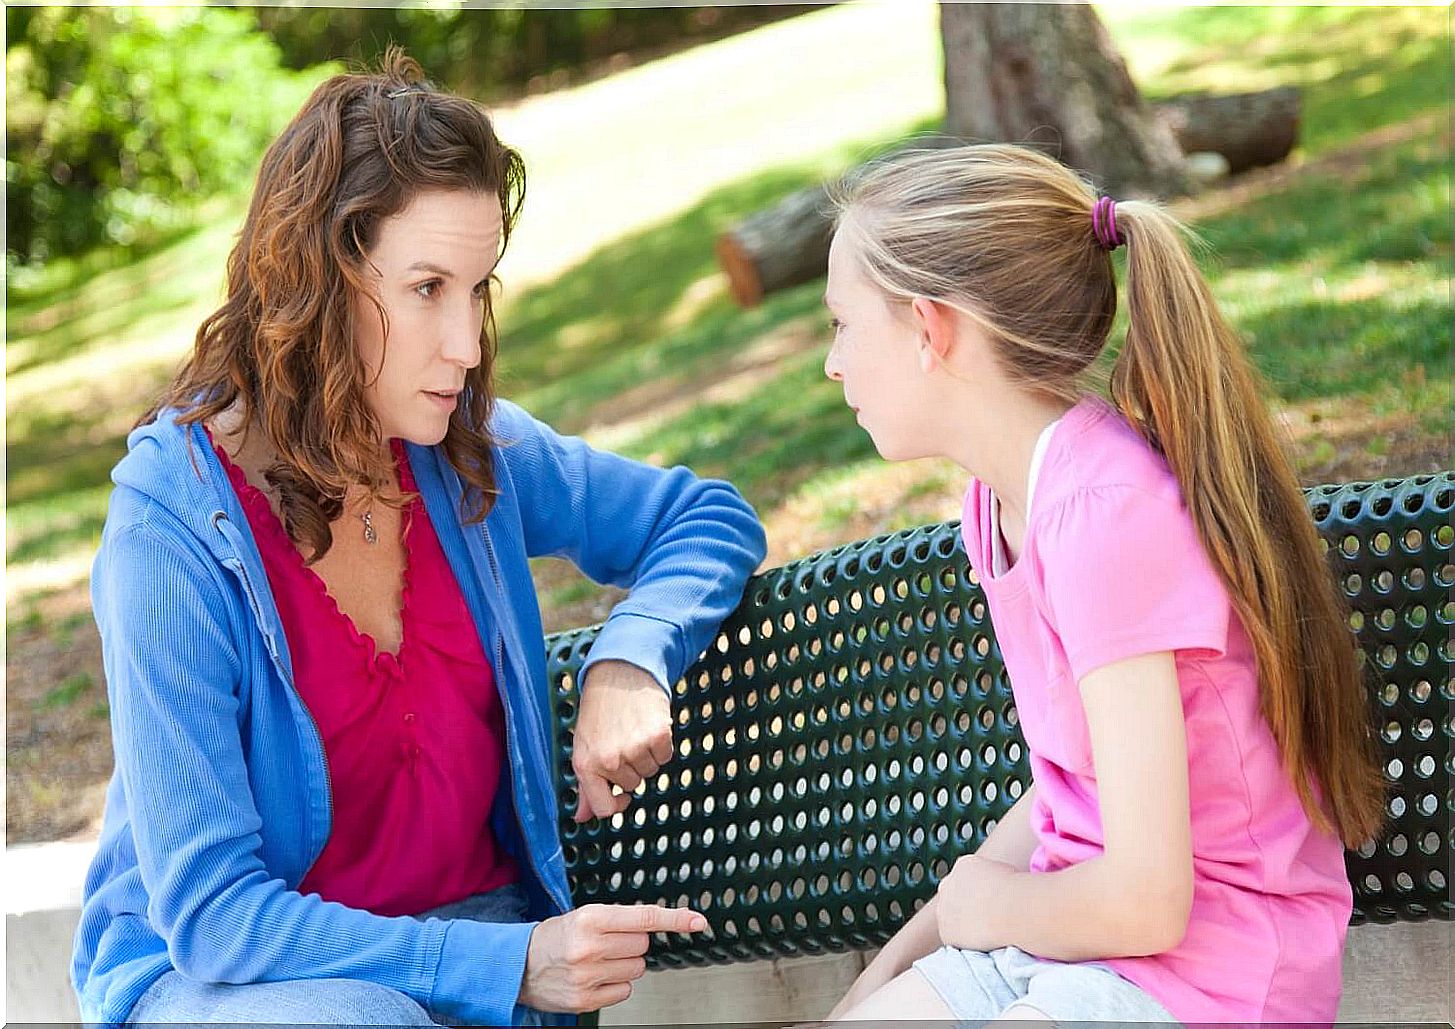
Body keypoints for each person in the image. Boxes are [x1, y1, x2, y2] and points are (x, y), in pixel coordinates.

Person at [71, 51, 766, 1028]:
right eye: (427, 287)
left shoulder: (464, 452)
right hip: (235, 985)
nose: (468, 345)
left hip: (475, 948)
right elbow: (217, 920)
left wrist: (632, 654)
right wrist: (505, 963)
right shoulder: (173, 536)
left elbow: (705, 518)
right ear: (316, 282)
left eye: (476, 288)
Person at [818, 143, 1385, 1025]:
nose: (832, 364)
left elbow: (1146, 901)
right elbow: (1068, 779)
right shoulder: (1000, 498)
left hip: (1211, 970)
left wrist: (988, 908)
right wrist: (881, 974)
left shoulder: (1102, 513)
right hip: (1068, 936)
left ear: (930, 329)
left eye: (842, 325)